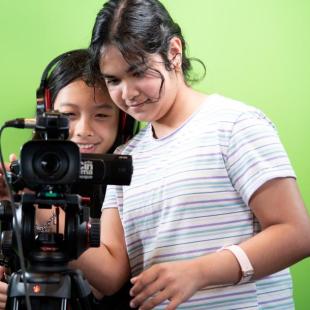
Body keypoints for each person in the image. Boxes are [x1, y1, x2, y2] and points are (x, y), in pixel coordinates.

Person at [71, 0, 310, 309]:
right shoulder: (126, 157)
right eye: (114, 80)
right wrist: (40, 216)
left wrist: (198, 272)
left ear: (174, 51)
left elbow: (296, 234)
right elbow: (112, 274)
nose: (127, 93)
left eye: (139, 72)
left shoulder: (234, 125)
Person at [0, 49, 136, 309]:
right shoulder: (19, 176)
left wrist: (34, 206)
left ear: (123, 121)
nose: (84, 130)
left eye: (102, 115)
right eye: (69, 115)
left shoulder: (125, 181)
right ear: (46, 115)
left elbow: (106, 281)